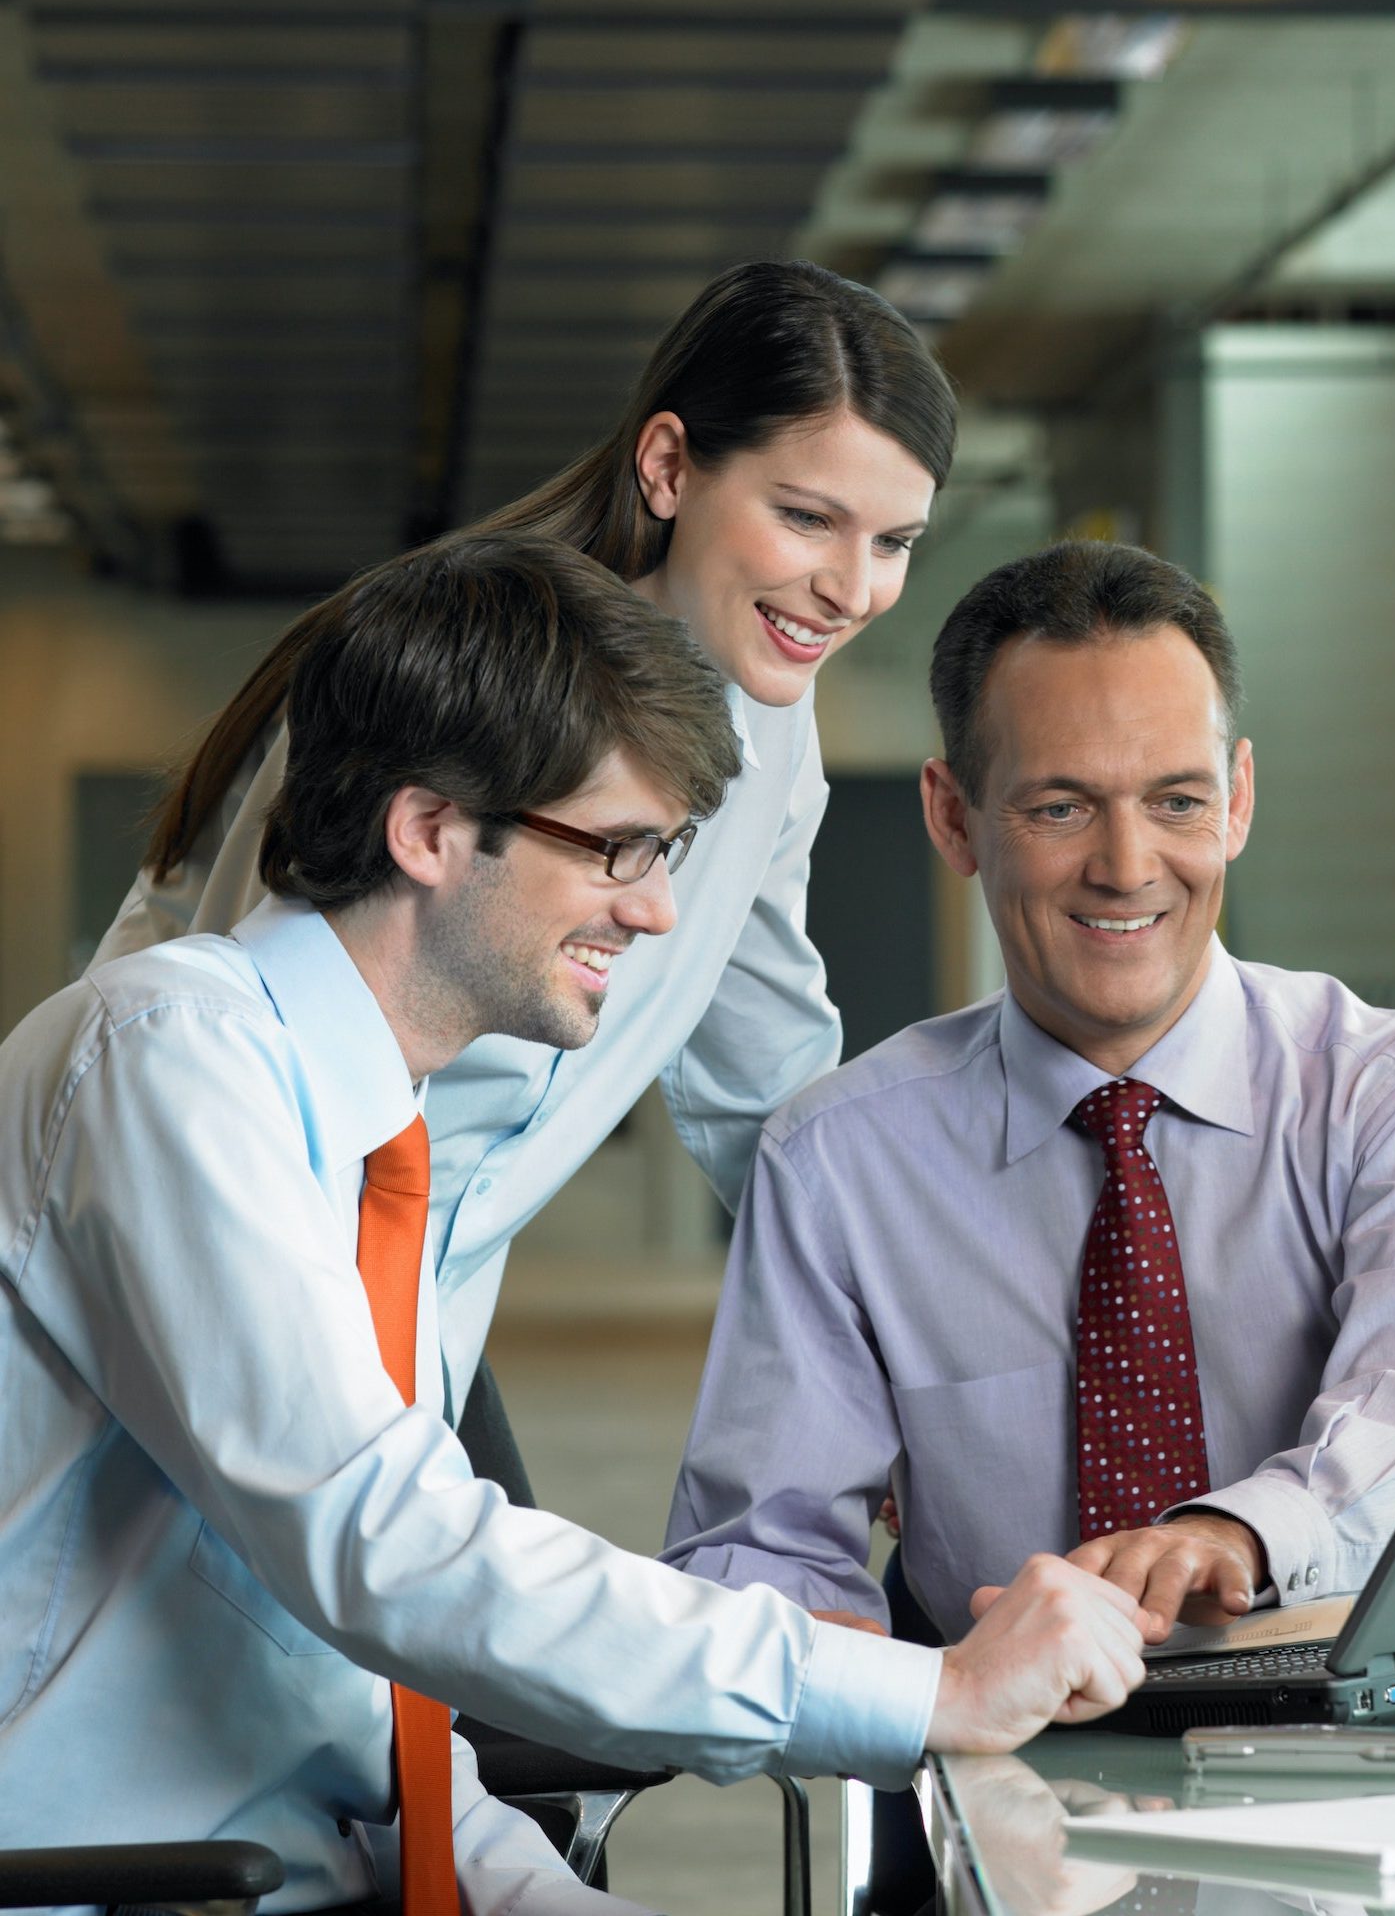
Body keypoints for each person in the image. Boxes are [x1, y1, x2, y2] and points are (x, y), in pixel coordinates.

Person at [0, 536, 1147, 1913]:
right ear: (427, 832)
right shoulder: (165, 1062)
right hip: (118, 1890)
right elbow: (385, 1550)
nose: (657, 910)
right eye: (614, 849)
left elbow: (356, 1694)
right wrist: (928, 1692)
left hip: (294, 1866)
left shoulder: (378, 1151)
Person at [95, 260, 951, 1415]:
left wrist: (898, 1349)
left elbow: (764, 1076)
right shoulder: (445, 674)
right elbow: (219, 1040)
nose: (851, 587)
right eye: (806, 517)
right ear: (667, 467)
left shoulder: (771, 740)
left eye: (894, 543)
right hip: (240, 1282)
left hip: (426, 1305)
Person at [664, 540, 1395, 1646]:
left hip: (1353, 1742)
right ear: (952, 817)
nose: (1127, 865)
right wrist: (888, 1686)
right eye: (1061, 809)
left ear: (1239, 801)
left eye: (1176, 800)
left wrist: (1236, 1534)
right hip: (1000, 1747)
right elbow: (756, 1546)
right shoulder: (838, 1160)